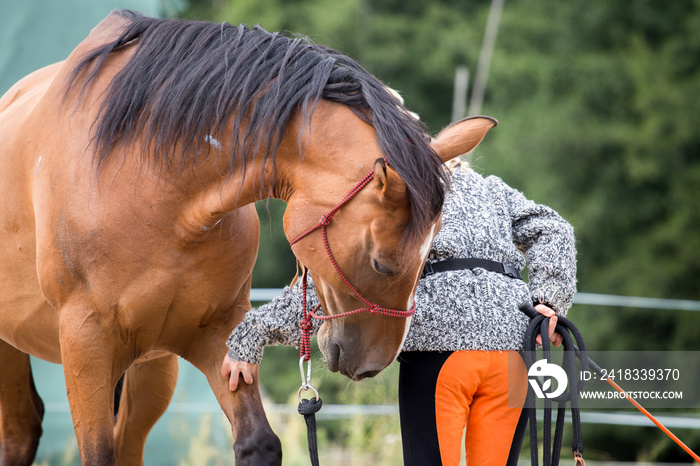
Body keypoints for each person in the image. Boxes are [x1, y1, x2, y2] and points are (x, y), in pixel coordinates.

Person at [222, 155, 576, 465]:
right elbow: (554, 228)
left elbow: (346, 279)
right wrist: (549, 301)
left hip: (441, 352)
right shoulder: (493, 189)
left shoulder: (400, 197)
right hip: (513, 350)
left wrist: (252, 334)